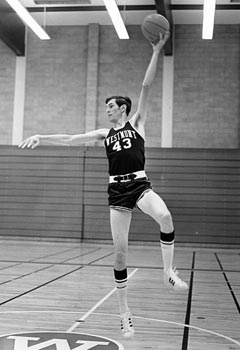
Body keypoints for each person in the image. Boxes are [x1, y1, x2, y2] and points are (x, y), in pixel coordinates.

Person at [19, 31, 188, 339]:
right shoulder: (103, 134)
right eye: (107, 107)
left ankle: (167, 272)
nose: (107, 110)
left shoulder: (137, 123)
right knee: (120, 254)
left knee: (165, 217)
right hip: (117, 192)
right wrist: (42, 135)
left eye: (110, 106)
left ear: (122, 108)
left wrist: (155, 52)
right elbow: (71, 139)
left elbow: (147, 86)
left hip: (140, 185)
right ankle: (124, 313)